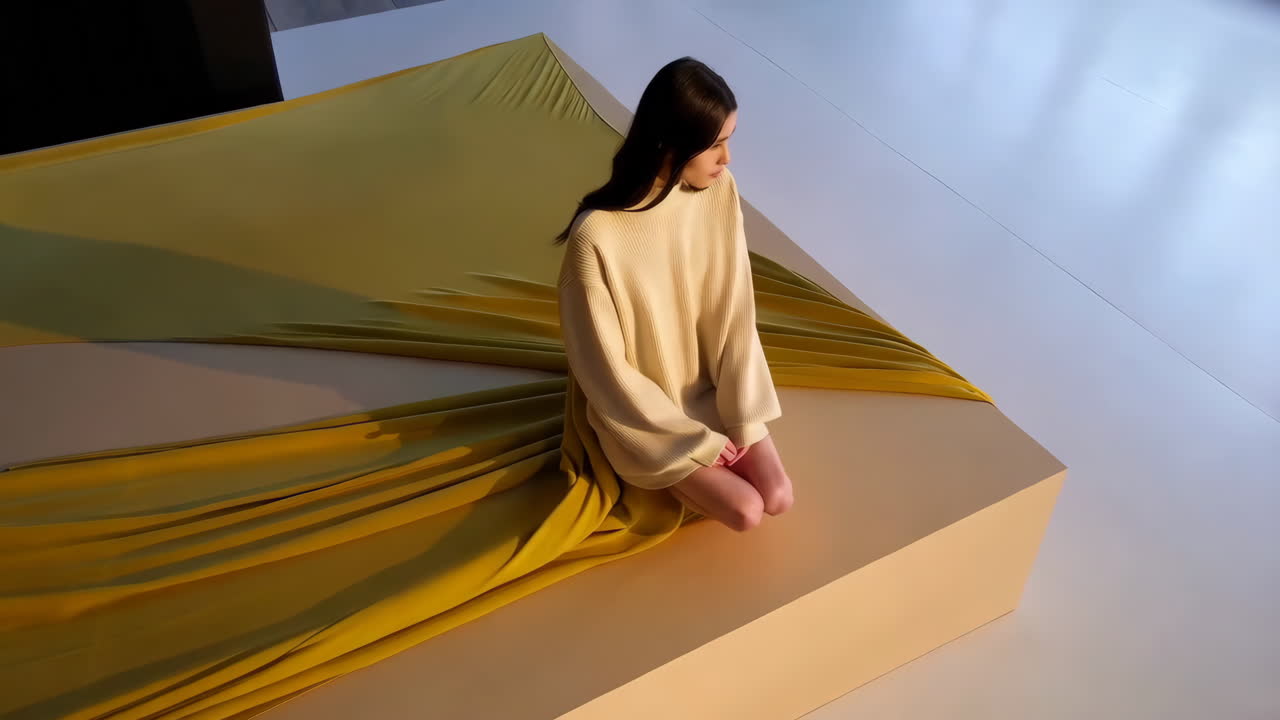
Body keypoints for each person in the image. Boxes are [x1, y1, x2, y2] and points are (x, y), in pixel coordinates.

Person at [555, 57, 794, 532]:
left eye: (728, 141)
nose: (727, 160)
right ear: (669, 142)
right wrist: (689, 439)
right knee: (746, 512)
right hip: (645, 420)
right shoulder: (597, 235)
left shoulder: (717, 193)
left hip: (714, 395)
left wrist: (742, 415)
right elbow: (605, 370)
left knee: (779, 498)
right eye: (716, 145)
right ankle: (653, 464)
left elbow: (735, 312)